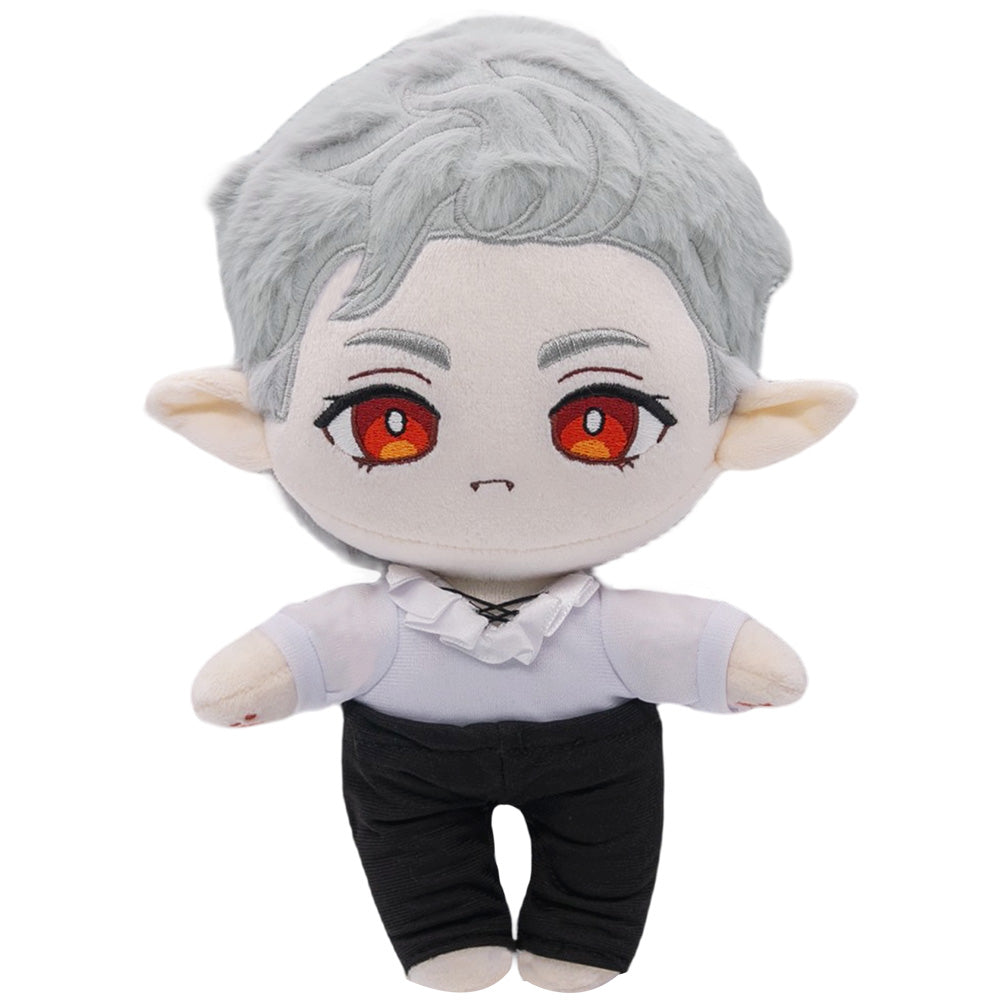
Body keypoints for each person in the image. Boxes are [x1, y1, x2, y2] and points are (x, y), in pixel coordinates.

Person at [147, 16, 855, 993]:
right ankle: (442, 931)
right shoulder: (381, 627)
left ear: (737, 423)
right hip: (404, 758)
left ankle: (585, 933)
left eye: (599, 419)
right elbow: (291, 655)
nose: (492, 481)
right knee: (419, 872)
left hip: (596, 753)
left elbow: (688, 643)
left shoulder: (596, 629)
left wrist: (726, 661)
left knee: (603, 862)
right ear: (246, 422)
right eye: (389, 419)